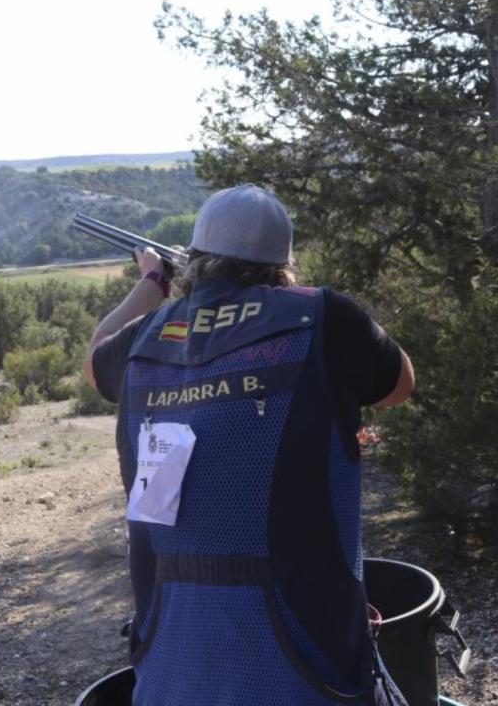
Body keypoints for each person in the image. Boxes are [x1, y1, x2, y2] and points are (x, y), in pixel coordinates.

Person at [83, 183, 415, 705]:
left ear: (195, 259)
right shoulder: (323, 317)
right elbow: (400, 387)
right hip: (311, 673)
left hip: (170, 678)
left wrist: (152, 280)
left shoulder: (144, 338)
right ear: (282, 264)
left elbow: (94, 358)